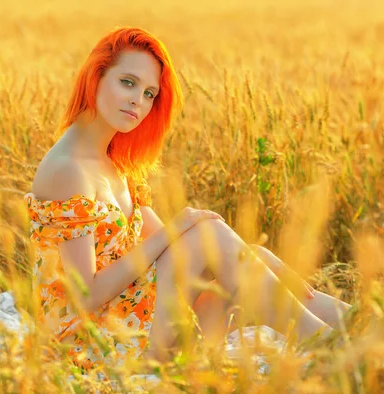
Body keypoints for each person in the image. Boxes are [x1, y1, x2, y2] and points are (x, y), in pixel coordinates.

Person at [24, 26, 351, 373]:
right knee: (204, 233)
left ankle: (375, 329)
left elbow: (182, 255)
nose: (139, 100)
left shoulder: (113, 162)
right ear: (96, 76)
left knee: (247, 279)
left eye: (150, 93)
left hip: (137, 317)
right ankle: (335, 353)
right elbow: (85, 294)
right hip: (96, 347)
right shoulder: (67, 170)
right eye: (128, 82)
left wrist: (259, 257)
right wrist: (179, 226)